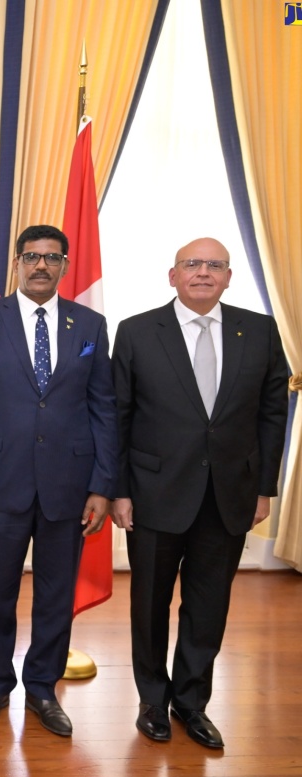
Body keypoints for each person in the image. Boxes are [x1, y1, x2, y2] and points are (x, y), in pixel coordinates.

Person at [112, 238, 287, 749]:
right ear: (173, 275)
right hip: (153, 491)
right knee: (149, 604)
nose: (204, 273)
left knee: (209, 606)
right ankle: (152, 702)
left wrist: (264, 487)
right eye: (193, 264)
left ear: (229, 278)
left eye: (215, 265)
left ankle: (191, 703)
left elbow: (273, 414)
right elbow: (118, 417)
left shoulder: (259, 330)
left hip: (230, 494)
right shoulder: (137, 332)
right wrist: (119, 490)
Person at [0, 224, 117, 737]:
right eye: (32, 257)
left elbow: (103, 408)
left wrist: (101, 485)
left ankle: (44, 688)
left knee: (54, 593)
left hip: (69, 486)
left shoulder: (90, 324)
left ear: (66, 265)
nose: (41, 265)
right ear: (17, 264)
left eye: (52, 257)